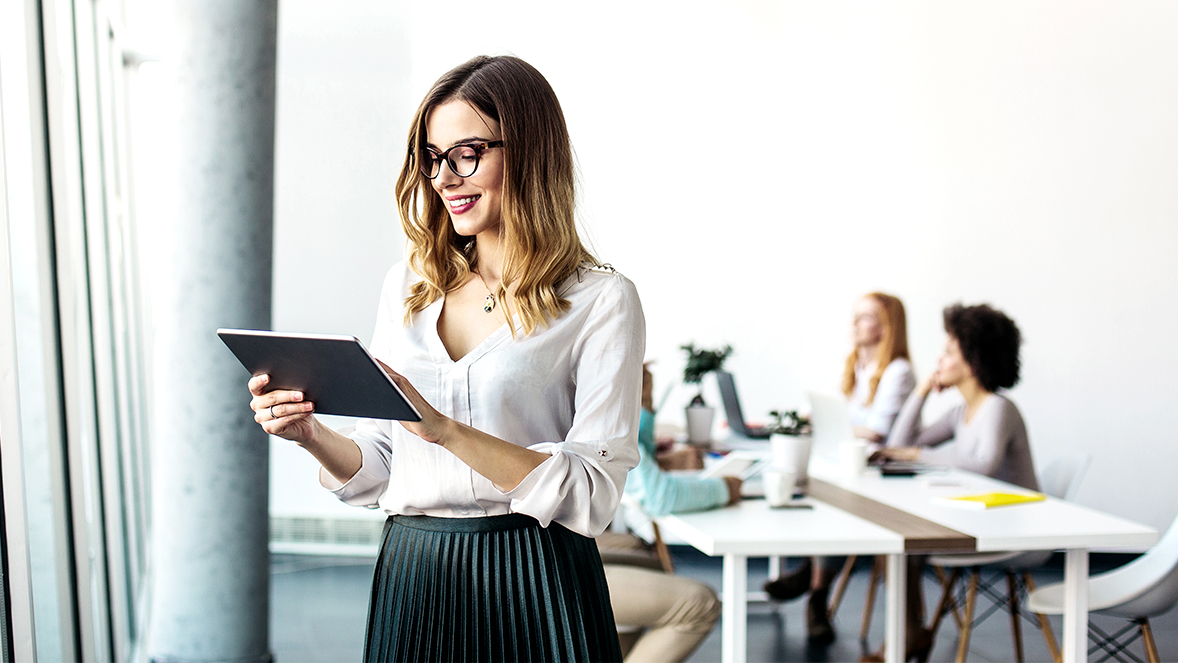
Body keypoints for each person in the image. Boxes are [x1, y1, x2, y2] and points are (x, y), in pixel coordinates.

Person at [247, 56, 644, 662]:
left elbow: (592, 492)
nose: (445, 177)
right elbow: (378, 465)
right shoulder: (409, 285)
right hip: (416, 572)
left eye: (468, 153)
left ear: (532, 151)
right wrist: (309, 435)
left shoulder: (599, 300)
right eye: (434, 157)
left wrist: (447, 432)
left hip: (536, 576)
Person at [866, 302, 1036, 662]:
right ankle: (908, 634)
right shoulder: (961, 411)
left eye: (947, 353)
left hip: (1011, 531)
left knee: (903, 544)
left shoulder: (998, 408)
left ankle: (906, 637)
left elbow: (984, 464)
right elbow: (899, 444)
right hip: (977, 519)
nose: (938, 362)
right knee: (897, 543)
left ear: (972, 361)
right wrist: (922, 390)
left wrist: (916, 456)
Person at [764, 292, 915, 644]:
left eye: (864, 317)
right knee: (815, 485)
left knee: (837, 500)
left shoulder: (898, 371)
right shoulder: (855, 367)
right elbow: (834, 413)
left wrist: (826, 426)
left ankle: (814, 590)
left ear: (885, 326)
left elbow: (877, 430)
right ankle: (811, 580)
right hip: (850, 464)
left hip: (881, 473)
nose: (854, 323)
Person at [601, 364, 736, 663]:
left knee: (653, 567)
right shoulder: (604, 417)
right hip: (550, 564)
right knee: (701, 604)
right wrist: (724, 489)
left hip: (557, 550)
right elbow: (659, 496)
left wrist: (644, 407)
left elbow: (637, 459)